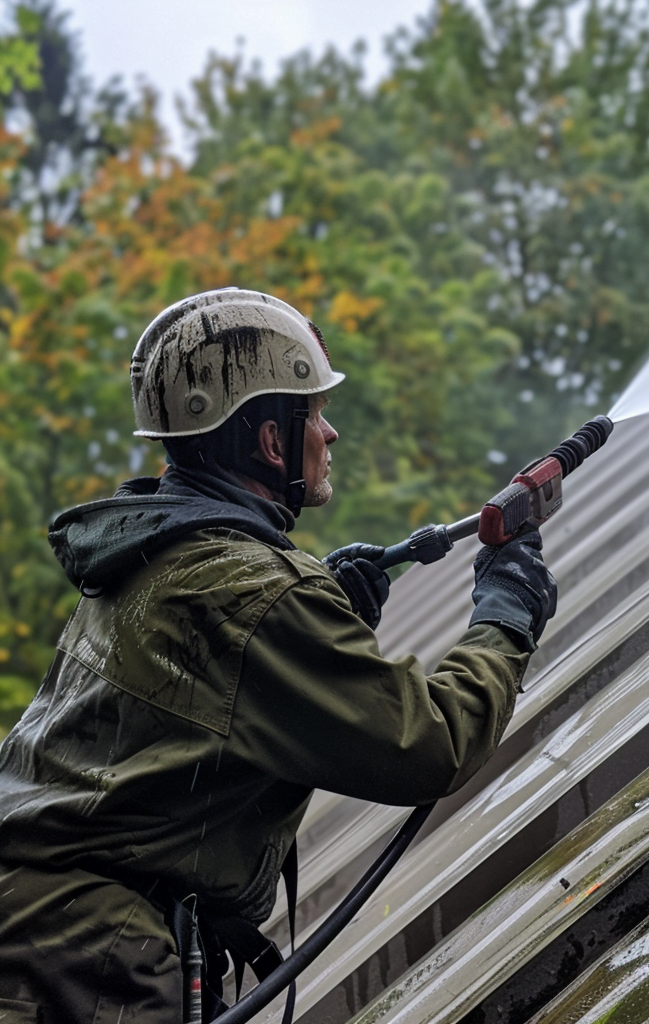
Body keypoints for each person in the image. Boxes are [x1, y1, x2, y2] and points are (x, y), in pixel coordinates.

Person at [0, 288, 556, 1024]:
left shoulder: (154, 558)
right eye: (315, 414)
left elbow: (191, 700)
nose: (331, 435)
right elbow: (430, 743)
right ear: (270, 440)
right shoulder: (249, 590)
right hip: (87, 964)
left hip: (44, 940)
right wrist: (505, 615)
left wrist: (323, 606)